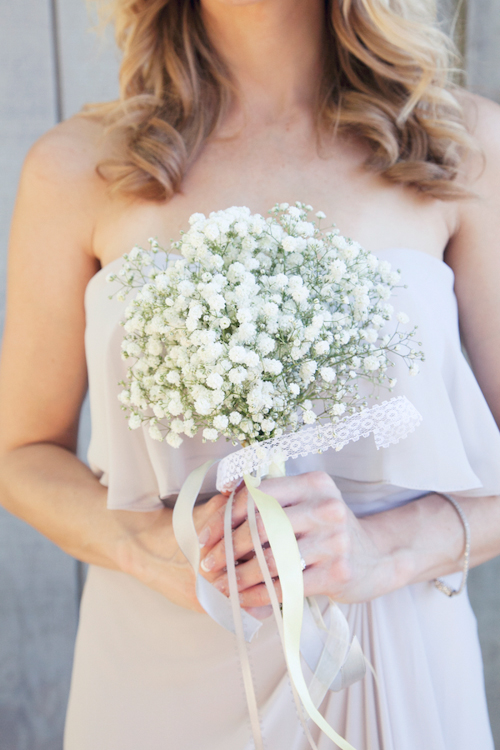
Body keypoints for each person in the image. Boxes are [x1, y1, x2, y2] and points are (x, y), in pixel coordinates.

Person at [1, 0, 499, 747]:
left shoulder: (464, 144)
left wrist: (381, 551)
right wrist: (154, 549)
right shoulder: (76, 166)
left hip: (389, 652)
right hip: (155, 667)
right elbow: (20, 455)